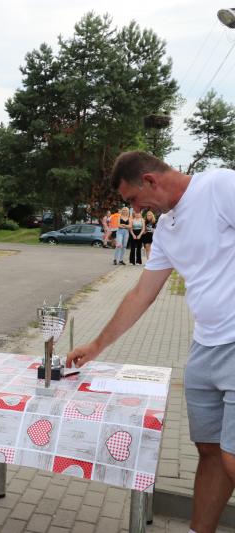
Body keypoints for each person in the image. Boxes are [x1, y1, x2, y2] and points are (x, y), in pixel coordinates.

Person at [66, 151, 235, 533]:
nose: (135, 210)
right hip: (204, 348)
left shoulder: (219, 186)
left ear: (150, 181)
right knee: (209, 451)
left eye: (133, 199)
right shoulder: (168, 229)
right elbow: (141, 294)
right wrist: (96, 346)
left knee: (232, 458)